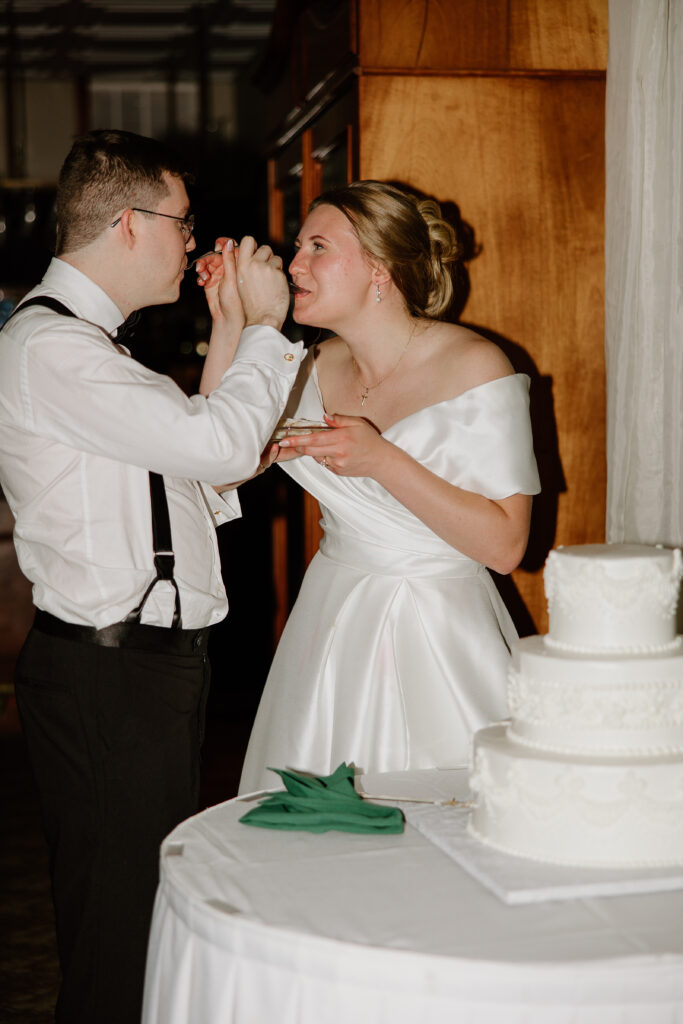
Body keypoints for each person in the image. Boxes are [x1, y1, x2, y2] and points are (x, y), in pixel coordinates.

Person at [0, 129, 302, 1024]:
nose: (191, 239)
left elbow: (198, 466)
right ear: (129, 224)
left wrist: (230, 325)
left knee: (137, 918)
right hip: (110, 672)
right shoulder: (54, 349)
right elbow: (222, 444)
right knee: (118, 934)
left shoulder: (86, 345)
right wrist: (269, 325)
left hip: (134, 670)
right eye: (183, 222)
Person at [205, 180, 540, 794]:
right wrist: (232, 318)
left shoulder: (475, 366)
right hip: (330, 621)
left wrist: (382, 460)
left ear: (380, 269)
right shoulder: (308, 367)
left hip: (439, 636)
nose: (294, 264)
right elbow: (218, 464)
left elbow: (505, 547)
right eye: (298, 247)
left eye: (318, 247)